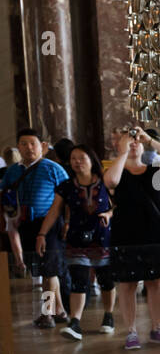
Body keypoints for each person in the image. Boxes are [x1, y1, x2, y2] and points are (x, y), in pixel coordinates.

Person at [103, 127, 160, 348]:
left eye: (136, 141)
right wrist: (124, 152)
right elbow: (111, 182)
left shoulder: (154, 170)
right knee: (127, 284)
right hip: (126, 234)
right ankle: (131, 331)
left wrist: (151, 141)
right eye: (129, 140)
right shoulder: (116, 169)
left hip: (153, 233)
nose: (133, 143)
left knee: (155, 282)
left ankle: (157, 328)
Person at [36, 145, 116, 339]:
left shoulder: (106, 182)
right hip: (77, 239)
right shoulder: (66, 186)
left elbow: (118, 206)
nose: (77, 162)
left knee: (106, 280)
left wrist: (108, 213)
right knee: (79, 281)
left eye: (82, 158)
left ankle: (108, 315)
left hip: (102, 238)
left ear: (91, 160)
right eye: (73, 158)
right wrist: (42, 234)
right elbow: (54, 211)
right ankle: (75, 322)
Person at [2, 127, 68, 326]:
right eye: (24, 144)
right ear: (18, 147)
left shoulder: (54, 168)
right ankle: (60, 311)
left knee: (49, 270)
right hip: (26, 225)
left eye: (33, 144)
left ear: (43, 147)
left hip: (49, 225)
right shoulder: (13, 171)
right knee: (46, 270)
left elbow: (69, 197)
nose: (29, 148)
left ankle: (46, 313)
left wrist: (68, 224)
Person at [3, 146, 26, 276]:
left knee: (13, 234)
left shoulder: (5, 171)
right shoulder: (24, 169)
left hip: (10, 208)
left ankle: (20, 262)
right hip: (26, 206)